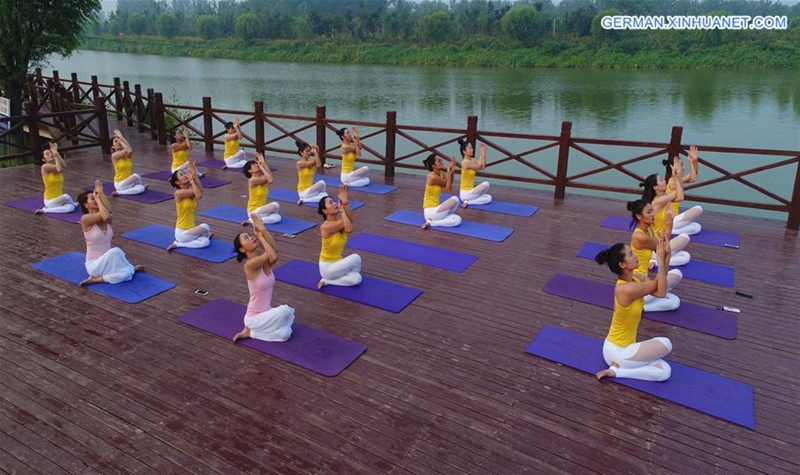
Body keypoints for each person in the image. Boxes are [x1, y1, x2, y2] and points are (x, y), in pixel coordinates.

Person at [594, 234, 673, 382]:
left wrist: (666, 256)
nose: (635, 255)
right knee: (666, 344)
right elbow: (661, 292)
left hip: (627, 350)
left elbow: (660, 288)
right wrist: (661, 259)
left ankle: (616, 370)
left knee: (664, 371)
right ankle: (616, 369)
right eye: (631, 254)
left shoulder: (638, 278)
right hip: (616, 349)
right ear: (623, 265)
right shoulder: (625, 289)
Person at [232, 213, 295, 343]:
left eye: (250, 235)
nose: (250, 237)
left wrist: (263, 231)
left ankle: (252, 332)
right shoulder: (249, 266)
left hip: (267, 312)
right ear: (242, 249)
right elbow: (272, 254)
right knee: (285, 311)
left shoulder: (262, 261)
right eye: (246, 238)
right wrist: (261, 235)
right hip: (254, 318)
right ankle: (252, 330)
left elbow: (274, 252)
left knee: (285, 333)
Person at [76, 180, 144, 286]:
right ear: (86, 205)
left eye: (95, 198)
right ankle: (95, 279)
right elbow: (106, 215)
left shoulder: (105, 218)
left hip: (109, 262)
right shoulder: (85, 219)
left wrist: (100, 192)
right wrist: (99, 198)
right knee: (116, 251)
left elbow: (108, 212)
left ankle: (129, 270)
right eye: (92, 199)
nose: (95, 200)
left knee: (125, 273)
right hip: (94, 266)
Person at [627, 199, 683, 311]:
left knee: (677, 273)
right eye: (649, 212)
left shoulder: (649, 230)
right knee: (673, 302)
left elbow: (664, 249)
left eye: (652, 211)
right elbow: (664, 252)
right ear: (639, 216)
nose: (653, 214)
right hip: (637, 281)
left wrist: (668, 225)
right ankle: (640, 306)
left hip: (645, 278)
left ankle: (645, 302)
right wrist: (668, 226)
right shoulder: (640, 237)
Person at [640, 168, 691, 258]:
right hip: (657, 243)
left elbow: (679, 197)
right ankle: (655, 258)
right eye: (661, 180)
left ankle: (658, 257)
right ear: (655, 187)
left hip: (662, 239)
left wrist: (677, 178)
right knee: (685, 238)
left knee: (685, 254)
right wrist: (676, 178)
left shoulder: (662, 197)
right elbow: (681, 196)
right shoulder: (658, 201)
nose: (664, 181)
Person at [317, 184, 361, 288]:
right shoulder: (325, 227)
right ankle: (326, 280)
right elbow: (349, 227)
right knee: (356, 258)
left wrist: (345, 202)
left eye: (333, 201)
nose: (334, 204)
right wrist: (343, 209)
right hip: (327, 268)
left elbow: (349, 222)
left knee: (357, 278)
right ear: (325, 211)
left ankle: (329, 281)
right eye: (330, 203)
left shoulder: (339, 223)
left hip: (338, 264)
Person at [167, 160, 212, 251]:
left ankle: (185, 242)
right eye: (181, 175)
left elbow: (200, 190)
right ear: (177, 182)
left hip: (191, 230)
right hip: (181, 233)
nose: (184, 175)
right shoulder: (178, 193)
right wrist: (192, 180)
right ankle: (178, 244)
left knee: (205, 242)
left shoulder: (191, 189)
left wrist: (194, 173)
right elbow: (199, 195)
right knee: (205, 227)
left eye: (184, 173)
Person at [665, 145, 702, 235]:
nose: (683, 167)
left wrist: (694, 161)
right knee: (698, 209)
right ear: (672, 168)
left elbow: (693, 177)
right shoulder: (673, 183)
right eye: (680, 165)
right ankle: (669, 230)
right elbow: (692, 177)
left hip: (675, 218)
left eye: (683, 164)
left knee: (696, 227)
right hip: (671, 219)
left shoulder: (678, 180)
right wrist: (691, 162)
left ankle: (672, 231)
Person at [35, 142, 78, 214]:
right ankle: (45, 210)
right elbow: (59, 169)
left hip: (59, 199)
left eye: (50, 153)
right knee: (67, 196)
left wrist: (56, 152)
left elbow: (64, 165)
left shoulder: (56, 165)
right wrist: (55, 155)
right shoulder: (45, 167)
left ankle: (45, 209)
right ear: (43, 159)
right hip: (50, 200)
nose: (50, 154)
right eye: (47, 154)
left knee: (70, 208)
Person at [421, 154, 461, 229]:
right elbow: (448, 189)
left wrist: (452, 170)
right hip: (430, 211)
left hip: (436, 210)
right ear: (433, 165)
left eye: (441, 160)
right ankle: (431, 221)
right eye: (439, 161)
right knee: (455, 199)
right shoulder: (431, 177)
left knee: (457, 219)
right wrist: (450, 173)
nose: (442, 162)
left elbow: (448, 186)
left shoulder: (441, 174)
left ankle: (432, 223)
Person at [241, 152, 281, 226]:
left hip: (261, 210)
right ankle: (253, 218)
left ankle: (252, 221)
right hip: (253, 210)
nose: (256, 165)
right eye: (253, 165)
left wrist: (263, 162)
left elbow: (269, 176)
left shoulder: (261, 178)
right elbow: (270, 180)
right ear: (250, 171)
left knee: (277, 217)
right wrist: (262, 166)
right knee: (276, 205)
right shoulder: (252, 181)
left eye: (256, 163)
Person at [110, 130, 146, 196]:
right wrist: (120, 138)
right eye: (116, 142)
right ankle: (119, 192)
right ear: (112, 147)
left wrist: (121, 137)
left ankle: (120, 192)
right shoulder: (114, 156)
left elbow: (129, 149)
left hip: (128, 182)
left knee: (141, 189)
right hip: (119, 183)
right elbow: (127, 149)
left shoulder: (127, 155)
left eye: (118, 141)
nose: (118, 142)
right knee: (136, 176)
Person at [458, 140, 492, 208]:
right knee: (486, 184)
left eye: (472, 148)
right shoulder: (465, 162)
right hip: (466, 193)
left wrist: (484, 155)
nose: (472, 149)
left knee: (488, 198)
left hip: (471, 191)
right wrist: (481, 154)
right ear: (464, 152)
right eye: (470, 148)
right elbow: (479, 167)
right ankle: (468, 202)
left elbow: (482, 167)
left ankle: (468, 202)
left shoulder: (472, 160)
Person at [295, 140, 327, 205]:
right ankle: (304, 199)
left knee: (325, 195)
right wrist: (315, 153)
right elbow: (315, 164)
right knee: (322, 183)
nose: (309, 153)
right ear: (301, 153)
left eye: (309, 151)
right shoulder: (299, 163)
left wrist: (317, 150)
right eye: (307, 151)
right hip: (303, 191)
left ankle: (305, 200)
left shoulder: (310, 160)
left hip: (310, 189)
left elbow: (318, 164)